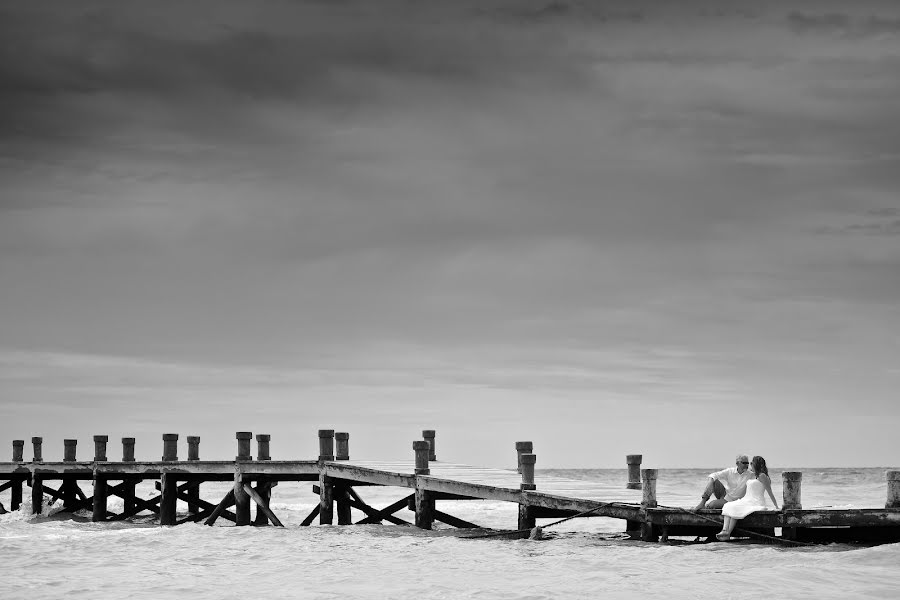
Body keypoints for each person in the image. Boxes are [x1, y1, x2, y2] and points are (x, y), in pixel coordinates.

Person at [716, 455, 779, 541]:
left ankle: (727, 533)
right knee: (728, 506)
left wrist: (776, 506)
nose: (750, 465)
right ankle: (724, 531)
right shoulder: (755, 475)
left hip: (755, 501)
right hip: (747, 500)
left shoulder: (762, 476)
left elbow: (770, 492)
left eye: (751, 463)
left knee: (735, 508)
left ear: (756, 464)